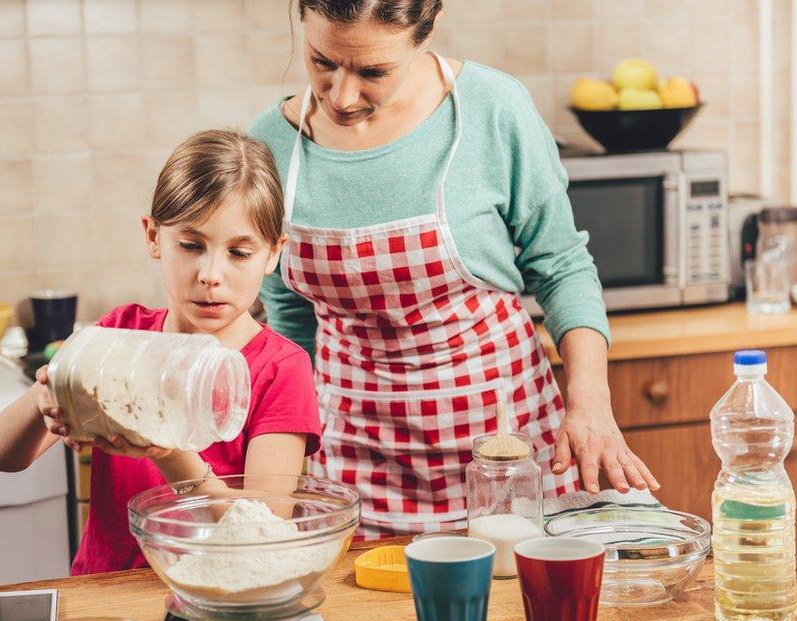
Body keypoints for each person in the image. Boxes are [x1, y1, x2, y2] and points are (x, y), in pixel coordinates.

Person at [249, 0, 660, 540]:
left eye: (373, 71)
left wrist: (591, 404)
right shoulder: (271, 143)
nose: (342, 96)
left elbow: (561, 266)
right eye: (322, 60)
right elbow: (288, 317)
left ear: (429, 29)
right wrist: (288, 452)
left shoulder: (491, 109)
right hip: (353, 456)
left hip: (506, 448)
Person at [0, 130, 322, 573]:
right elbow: (5, 457)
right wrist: (47, 392)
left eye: (239, 253)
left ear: (271, 255)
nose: (210, 274)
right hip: (102, 595)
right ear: (153, 236)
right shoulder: (118, 334)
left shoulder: (281, 369)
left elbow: (261, 532)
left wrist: (167, 451)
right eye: (190, 245)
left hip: (210, 602)